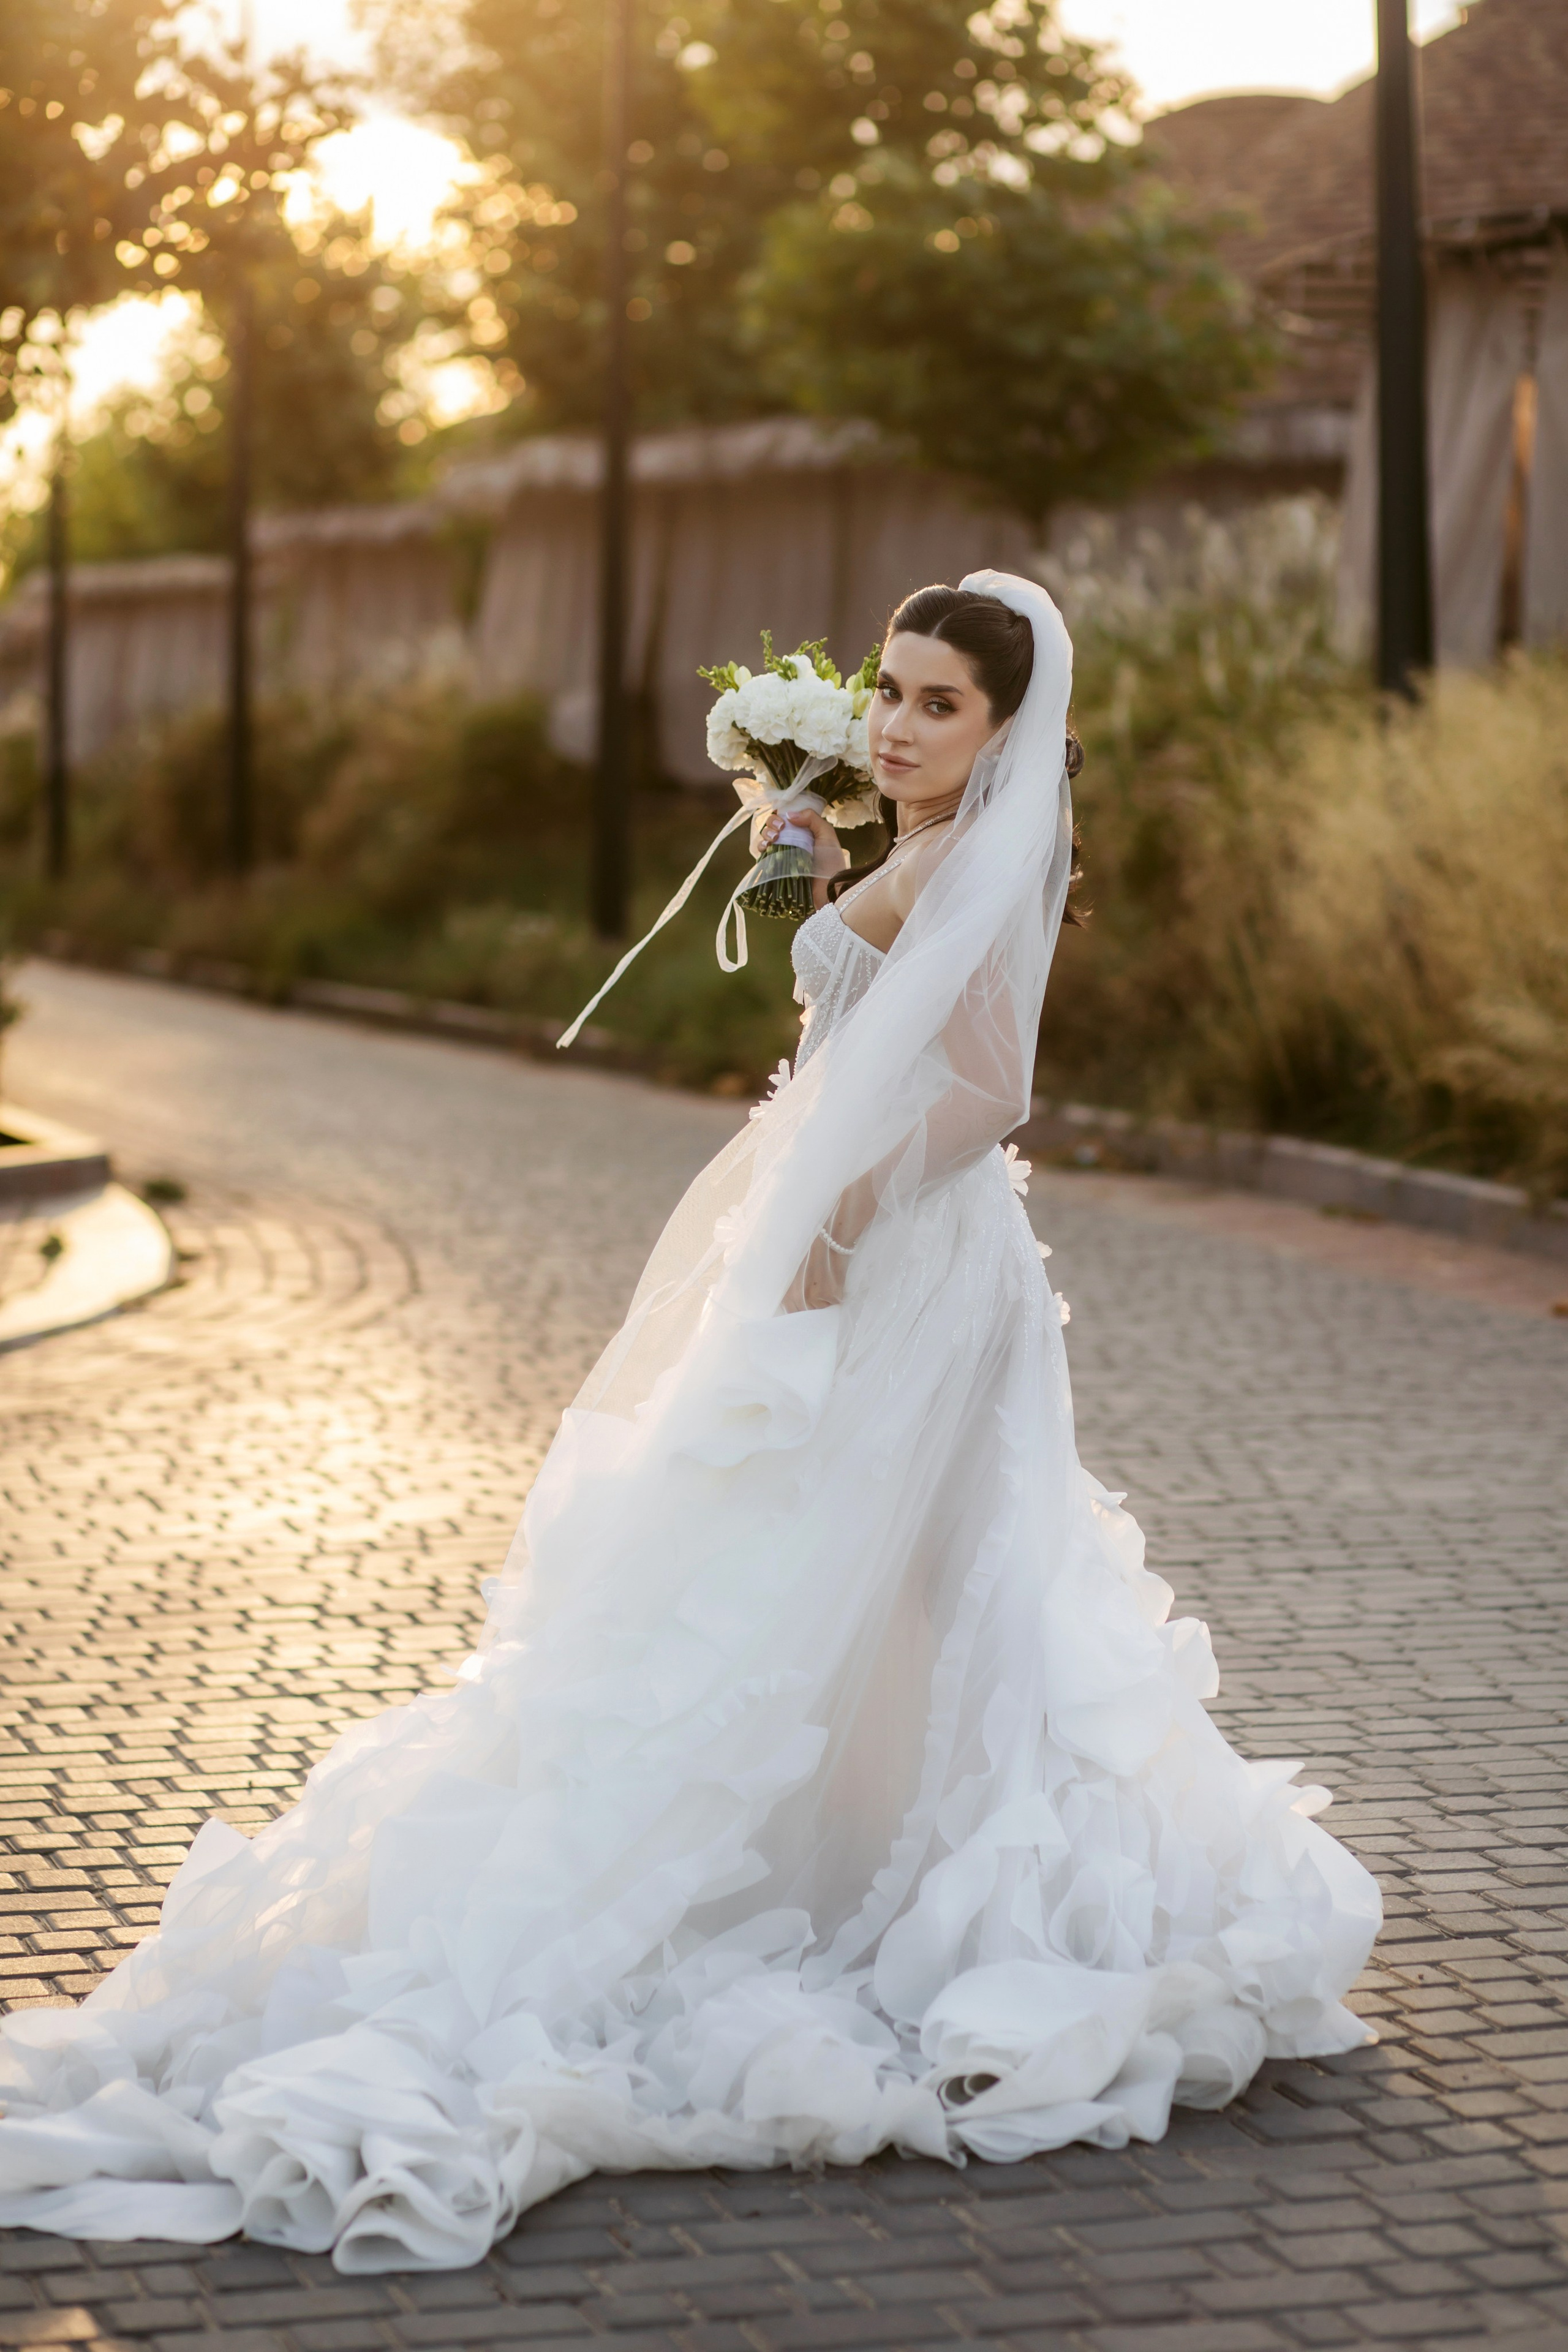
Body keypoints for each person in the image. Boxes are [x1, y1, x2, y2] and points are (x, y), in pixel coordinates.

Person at [0, 573, 1381, 2273]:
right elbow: (870, 1013)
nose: (895, 723)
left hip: (902, 1258)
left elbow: (995, 1087)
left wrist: (841, 1223)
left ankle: (860, 1868)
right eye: (891, 690)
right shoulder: (917, 843)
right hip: (845, 1237)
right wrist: (808, 868)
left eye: (939, 704)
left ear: (1012, 729)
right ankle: (837, 1835)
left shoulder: (980, 852)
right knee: (839, 1571)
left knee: (860, 1561)